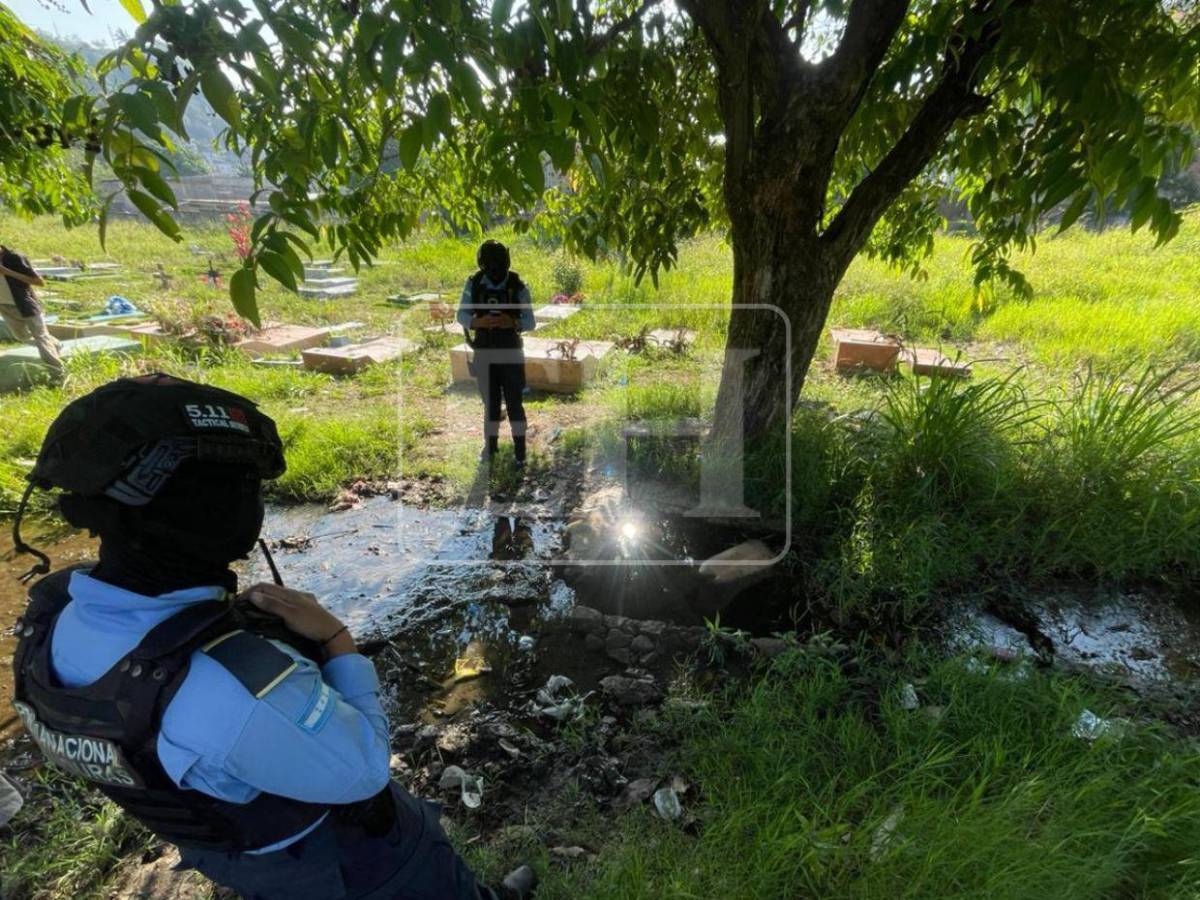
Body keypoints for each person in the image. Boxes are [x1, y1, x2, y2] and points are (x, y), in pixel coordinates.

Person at [10, 373, 533, 900]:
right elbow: (366, 768)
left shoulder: (49, 617)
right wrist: (335, 639)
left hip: (236, 854)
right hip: (350, 863)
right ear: (227, 514)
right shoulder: (230, 687)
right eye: (248, 490)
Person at [456, 240, 535, 466]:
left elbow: (530, 322)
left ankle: (520, 453)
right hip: (485, 351)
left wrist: (511, 322)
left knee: (514, 404)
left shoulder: (517, 285)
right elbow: (461, 316)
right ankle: (490, 448)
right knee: (490, 404)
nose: (495, 271)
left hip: (510, 351)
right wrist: (478, 321)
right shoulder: (474, 284)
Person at [0, 245, 64, 384]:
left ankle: (57, 376)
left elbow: (39, 282)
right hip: (4, 306)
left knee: (41, 338)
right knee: (22, 337)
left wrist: (6, 272)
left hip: (25, 305)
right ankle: (55, 344)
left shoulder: (14, 258)